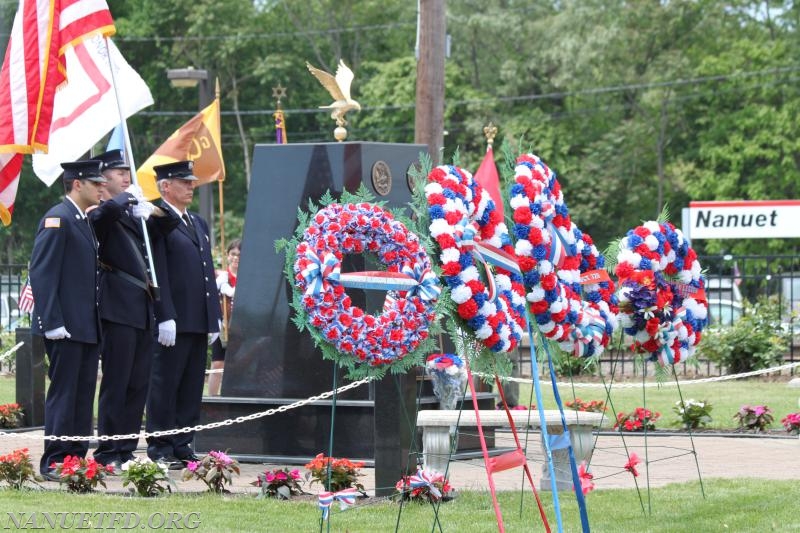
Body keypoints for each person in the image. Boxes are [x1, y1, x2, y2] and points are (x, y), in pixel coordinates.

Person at [29, 160, 134, 479]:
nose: (103, 188)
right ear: (77, 184)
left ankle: (75, 457)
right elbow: (42, 273)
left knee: (82, 393)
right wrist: (53, 320)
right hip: (65, 327)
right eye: (96, 183)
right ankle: (55, 460)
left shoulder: (82, 221)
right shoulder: (58, 219)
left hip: (86, 326)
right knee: (65, 393)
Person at [89, 150, 179, 471]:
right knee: (117, 380)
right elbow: (97, 221)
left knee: (137, 382)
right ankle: (108, 450)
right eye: (119, 173)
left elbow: (171, 223)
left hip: (142, 306)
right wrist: (124, 200)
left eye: (128, 173)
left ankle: (126, 449)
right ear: (104, 179)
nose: (127, 177)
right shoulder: (102, 211)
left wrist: (151, 209)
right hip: (116, 305)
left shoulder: (133, 214)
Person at [146, 160, 221, 468]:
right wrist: (164, 314)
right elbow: (157, 270)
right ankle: (160, 444)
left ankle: (182, 443)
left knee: (191, 385)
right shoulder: (156, 219)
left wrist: (214, 314)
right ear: (166, 186)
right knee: (166, 383)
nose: (191, 185)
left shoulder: (197, 223)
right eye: (184, 181)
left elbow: (207, 272)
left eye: (191, 181)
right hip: (174, 319)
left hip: (197, 319)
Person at [208, 239, 241, 396]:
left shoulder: (245, 278)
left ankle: (233, 397)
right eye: (232, 254)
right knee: (217, 364)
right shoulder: (222, 277)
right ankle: (212, 401)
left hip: (240, 327)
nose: (235, 258)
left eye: (239, 255)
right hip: (223, 326)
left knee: (237, 365)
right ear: (228, 256)